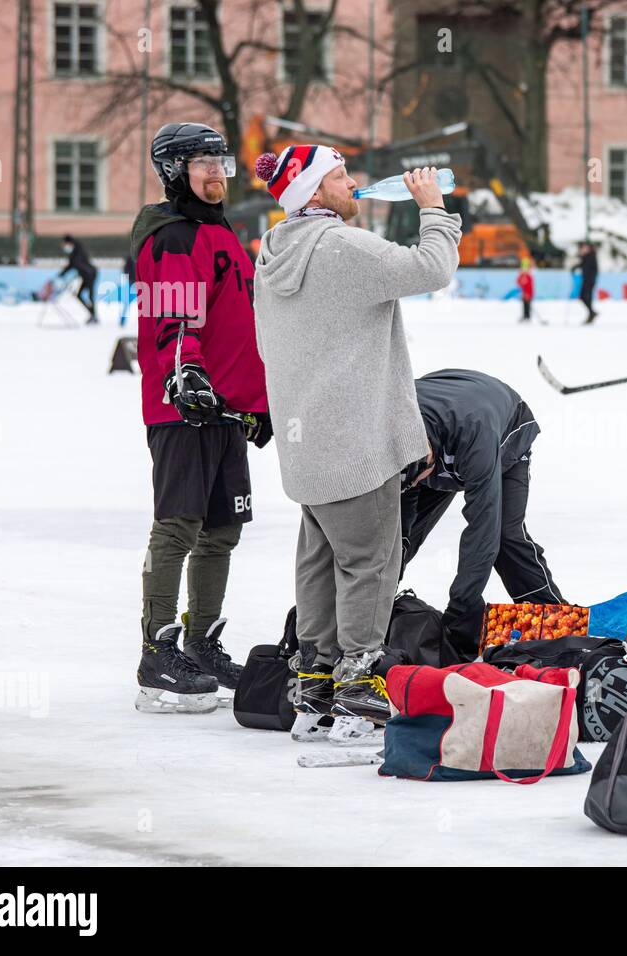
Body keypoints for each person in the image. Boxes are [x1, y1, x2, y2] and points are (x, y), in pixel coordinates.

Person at [253, 146, 460, 745]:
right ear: (314, 193)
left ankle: (312, 690)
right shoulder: (341, 246)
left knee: (319, 564)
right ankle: (356, 696)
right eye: (341, 176)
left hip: (307, 446)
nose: (355, 184)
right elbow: (431, 270)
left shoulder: (273, 250)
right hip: (355, 442)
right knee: (370, 563)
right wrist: (433, 208)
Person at [131, 122, 272, 714]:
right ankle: (157, 649)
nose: (217, 173)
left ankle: (201, 640)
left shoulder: (223, 233)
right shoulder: (172, 237)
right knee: (179, 526)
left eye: (222, 163)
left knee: (222, 530)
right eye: (204, 163)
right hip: (184, 408)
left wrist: (259, 401)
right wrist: (183, 373)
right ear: (174, 171)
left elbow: (243, 324)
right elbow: (171, 319)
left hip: (229, 411)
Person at [399, 369, 567, 659]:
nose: (420, 483)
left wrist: (462, 607)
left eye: (423, 475)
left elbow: (483, 528)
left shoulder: (476, 438)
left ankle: (552, 613)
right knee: (402, 535)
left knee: (503, 536)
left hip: (502, 428)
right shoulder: (392, 424)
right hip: (440, 418)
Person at [59, 234, 98, 324]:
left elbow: (75, 264)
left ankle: (93, 316)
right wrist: (62, 274)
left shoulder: (78, 251)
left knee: (90, 296)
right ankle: (92, 314)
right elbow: (71, 265)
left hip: (90, 274)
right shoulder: (74, 252)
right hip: (85, 275)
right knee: (79, 295)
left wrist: (64, 273)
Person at [575, 241, 599, 324]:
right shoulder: (586, 257)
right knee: (583, 297)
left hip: (589, 281)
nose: (582, 249)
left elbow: (591, 269)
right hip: (586, 280)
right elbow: (582, 265)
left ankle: (591, 313)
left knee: (586, 297)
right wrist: (575, 267)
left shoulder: (591, 256)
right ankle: (591, 312)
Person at [517, 256, 534, 323]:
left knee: (528, 305)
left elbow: (530, 286)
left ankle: (528, 317)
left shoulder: (529, 276)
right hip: (524, 293)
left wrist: (528, 293)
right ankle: (524, 316)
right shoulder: (522, 275)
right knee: (524, 305)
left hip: (528, 293)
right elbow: (518, 282)